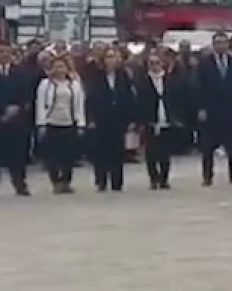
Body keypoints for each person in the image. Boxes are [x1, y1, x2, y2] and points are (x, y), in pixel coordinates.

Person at [194, 32, 232, 186]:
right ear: (213, 45)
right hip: (211, 109)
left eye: (223, 43)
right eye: (218, 43)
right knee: (208, 146)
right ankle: (207, 175)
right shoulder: (204, 63)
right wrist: (201, 108)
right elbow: (199, 87)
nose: (221, 46)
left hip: (231, 109)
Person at [84, 47, 134, 192]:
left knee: (117, 151)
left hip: (118, 119)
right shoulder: (96, 76)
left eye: (114, 57)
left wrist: (130, 118)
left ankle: (117, 181)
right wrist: (91, 118)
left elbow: (129, 97)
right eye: (109, 57)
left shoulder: (123, 76)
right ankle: (101, 180)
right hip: (101, 118)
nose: (112, 60)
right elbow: (91, 98)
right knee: (101, 151)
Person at [34, 55, 86, 194]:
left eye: (62, 66)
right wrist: (41, 123)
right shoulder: (45, 84)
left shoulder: (74, 84)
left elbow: (79, 104)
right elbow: (40, 104)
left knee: (68, 155)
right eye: (56, 66)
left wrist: (81, 122)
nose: (59, 69)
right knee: (52, 155)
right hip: (51, 122)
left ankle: (66, 181)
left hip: (69, 122)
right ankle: (55, 181)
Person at [134, 52, 184, 189]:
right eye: (151, 63)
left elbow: (176, 98)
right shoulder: (143, 81)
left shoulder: (169, 79)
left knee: (165, 152)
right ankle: (153, 177)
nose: (154, 66)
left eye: (157, 63)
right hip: (150, 119)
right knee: (151, 151)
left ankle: (164, 178)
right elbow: (140, 101)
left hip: (166, 118)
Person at [0, 44, 34, 195]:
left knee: (18, 154)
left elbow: (27, 94)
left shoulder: (20, 72)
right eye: (1, 52)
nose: (4, 55)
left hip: (17, 120)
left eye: (7, 52)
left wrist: (16, 108)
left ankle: (20, 182)